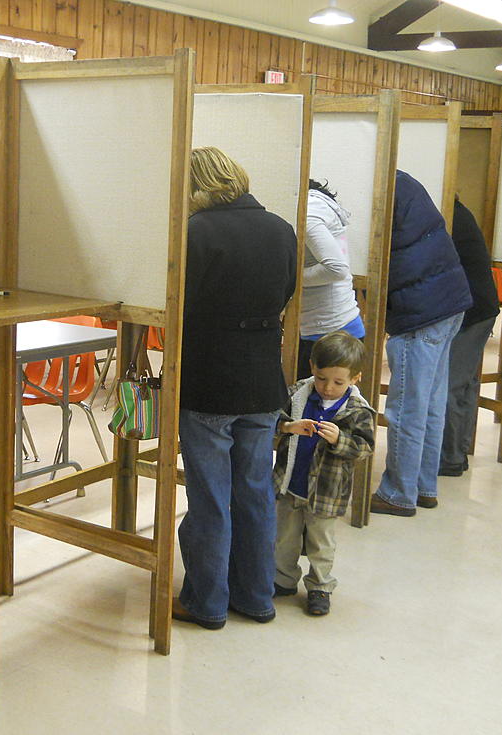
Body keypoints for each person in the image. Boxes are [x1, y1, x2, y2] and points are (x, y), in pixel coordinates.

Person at [171, 147, 297, 630]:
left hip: (210, 379)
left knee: (210, 499)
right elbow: (286, 291)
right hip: (264, 379)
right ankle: (256, 596)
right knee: (255, 493)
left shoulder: (195, 232)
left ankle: (207, 602)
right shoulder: (280, 227)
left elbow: (180, 303)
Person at [370, 170, 472, 517]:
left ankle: (398, 492)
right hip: (448, 301)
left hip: (421, 309)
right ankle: (424, 486)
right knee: (429, 403)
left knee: (406, 409)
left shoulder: (375, 179)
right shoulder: (403, 179)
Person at [273, 331, 375, 615]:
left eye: (338, 382)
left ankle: (320, 586)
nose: (327, 388)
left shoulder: (357, 411)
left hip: (326, 493)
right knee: (284, 537)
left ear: (355, 379)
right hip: (290, 483)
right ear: (312, 369)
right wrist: (287, 427)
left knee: (322, 542)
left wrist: (338, 440)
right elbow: (273, 422)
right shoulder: (297, 396)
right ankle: (283, 578)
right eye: (321, 378)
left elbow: (365, 448)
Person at [441, 196, 500, 476]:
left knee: (452, 384)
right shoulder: (457, 211)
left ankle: (451, 458)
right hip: (480, 306)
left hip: (472, 310)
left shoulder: (450, 216)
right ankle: (457, 452)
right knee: (463, 384)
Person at [297, 179, 364, 379]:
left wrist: (291, 277)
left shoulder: (308, 214)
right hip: (329, 325)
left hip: (330, 331)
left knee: (321, 405)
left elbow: (336, 269)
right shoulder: (317, 206)